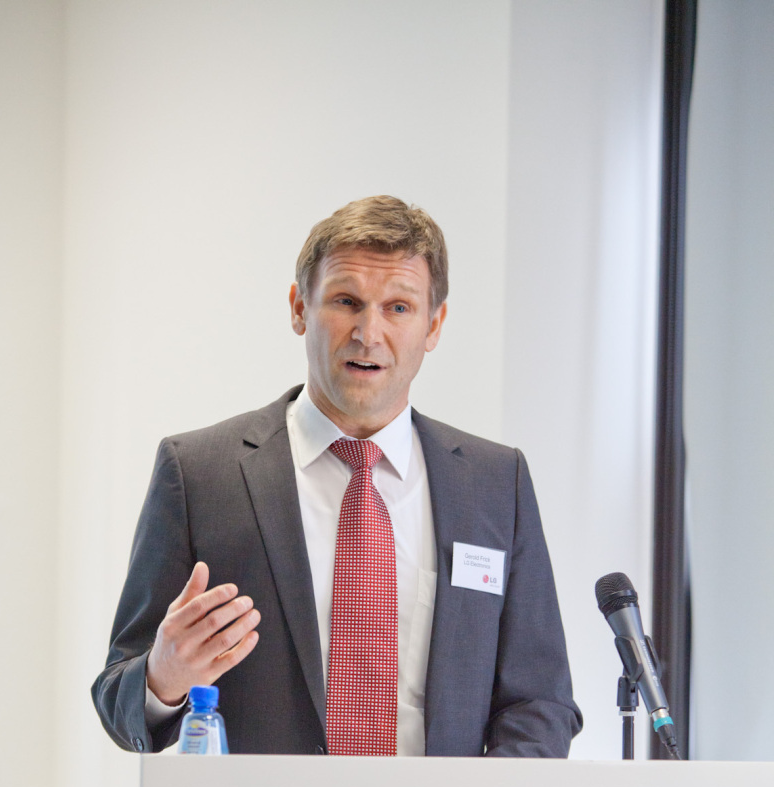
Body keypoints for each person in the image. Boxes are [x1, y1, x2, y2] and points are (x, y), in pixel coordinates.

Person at [92, 195, 582, 757]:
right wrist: (163, 678)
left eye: (398, 307)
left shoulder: (496, 485)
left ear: (434, 325)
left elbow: (540, 702)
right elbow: (118, 700)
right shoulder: (200, 473)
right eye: (346, 301)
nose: (368, 332)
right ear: (299, 308)